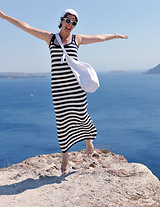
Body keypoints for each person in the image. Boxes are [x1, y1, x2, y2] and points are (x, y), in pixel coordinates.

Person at [0, 9, 128, 174]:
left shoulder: (77, 39)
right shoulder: (50, 38)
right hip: (59, 89)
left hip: (76, 87)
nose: (70, 25)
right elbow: (26, 26)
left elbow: (99, 37)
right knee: (62, 121)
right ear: (61, 20)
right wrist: (4, 17)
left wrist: (116, 35)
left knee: (82, 114)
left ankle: (89, 142)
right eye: (68, 21)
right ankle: (65, 156)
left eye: (74, 23)